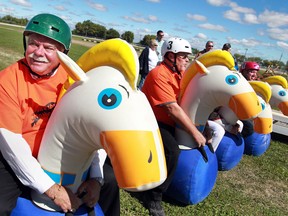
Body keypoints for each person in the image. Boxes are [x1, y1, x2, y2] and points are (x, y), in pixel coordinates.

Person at [0, 13, 119, 216]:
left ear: (64, 53)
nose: (38, 52)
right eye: (33, 44)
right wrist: (50, 189)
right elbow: (11, 144)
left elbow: (94, 127)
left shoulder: (75, 81)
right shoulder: (8, 80)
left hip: (65, 153)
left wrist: (97, 179)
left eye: (49, 48)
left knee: (110, 180)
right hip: (20, 154)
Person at [140, 37, 207, 216]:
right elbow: (172, 108)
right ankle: (153, 197)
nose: (187, 59)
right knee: (172, 151)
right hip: (150, 121)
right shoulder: (159, 74)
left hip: (167, 121)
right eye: (183, 56)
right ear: (170, 56)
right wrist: (195, 132)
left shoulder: (179, 73)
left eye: (187, 56)